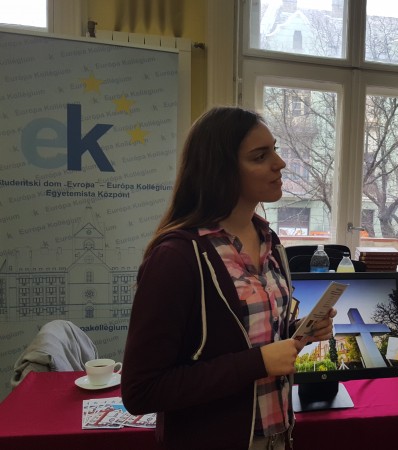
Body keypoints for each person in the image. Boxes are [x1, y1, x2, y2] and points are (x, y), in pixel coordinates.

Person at [121, 107, 335, 450]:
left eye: (275, 150)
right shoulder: (177, 257)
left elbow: (243, 339)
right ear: (219, 170)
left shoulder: (271, 243)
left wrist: (299, 333)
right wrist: (258, 363)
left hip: (278, 438)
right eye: (260, 156)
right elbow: (141, 391)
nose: (280, 163)